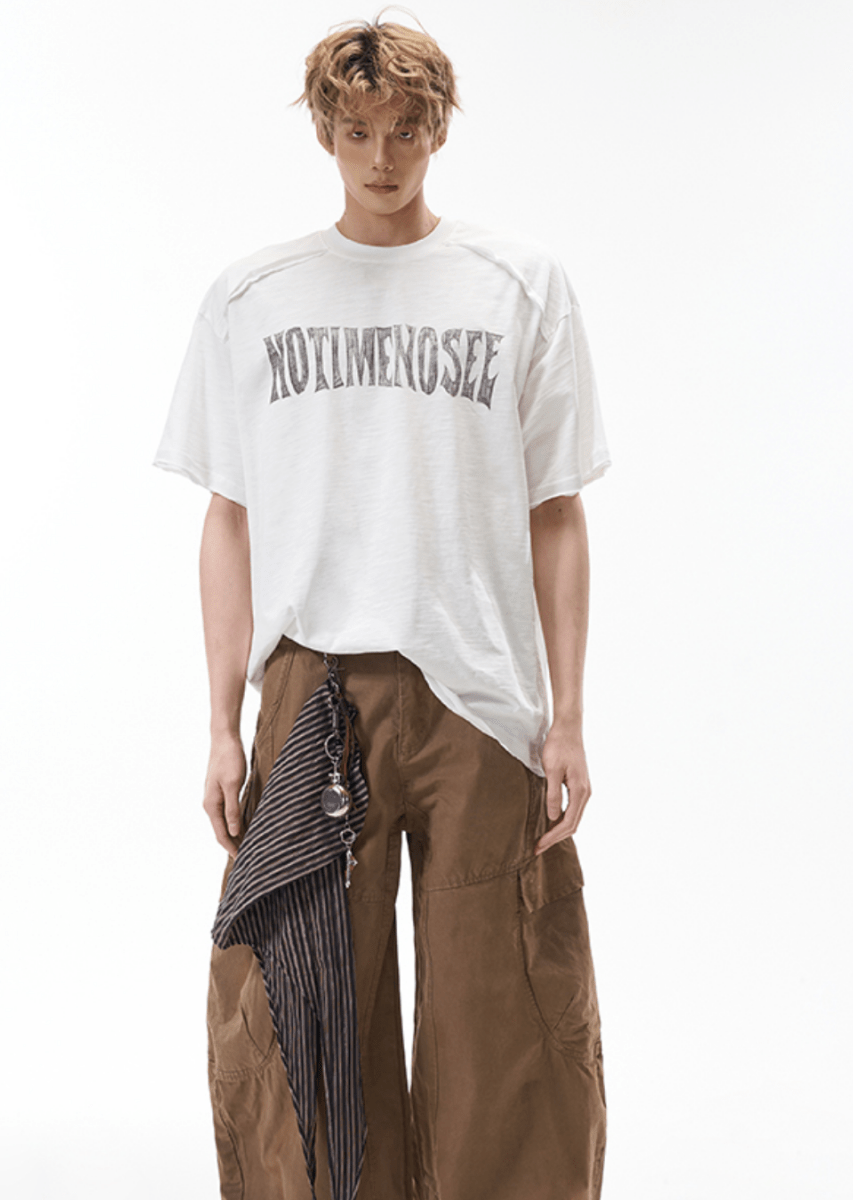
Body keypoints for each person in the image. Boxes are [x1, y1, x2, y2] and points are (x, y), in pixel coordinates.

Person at [153, 12, 611, 1200]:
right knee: (301, 1009)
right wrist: (220, 723)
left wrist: (566, 717)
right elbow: (228, 518)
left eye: (406, 129)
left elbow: (557, 511)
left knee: (503, 1017)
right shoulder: (253, 296)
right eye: (357, 132)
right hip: (313, 689)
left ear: (439, 129)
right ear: (324, 133)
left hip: (480, 692)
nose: (382, 157)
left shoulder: (518, 284)